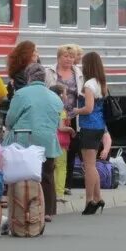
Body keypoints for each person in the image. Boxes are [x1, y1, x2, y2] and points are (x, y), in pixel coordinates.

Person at [4, 63, 63, 221]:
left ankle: (23, 208)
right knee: (47, 175)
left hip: (24, 140)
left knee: (22, 175)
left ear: (28, 77)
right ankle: (47, 211)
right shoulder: (55, 97)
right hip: (48, 141)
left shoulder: (21, 94)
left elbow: (10, 119)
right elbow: (57, 119)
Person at [45, 45, 84, 195]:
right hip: (53, 115)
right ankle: (52, 183)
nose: (69, 59)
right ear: (59, 57)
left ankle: (66, 184)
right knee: (53, 149)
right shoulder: (50, 72)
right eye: (65, 56)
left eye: (71, 57)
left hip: (73, 115)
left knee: (71, 149)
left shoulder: (78, 73)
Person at [73, 51, 109, 216]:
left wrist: (76, 110)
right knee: (91, 165)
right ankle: (98, 197)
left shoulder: (88, 84)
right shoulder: (101, 83)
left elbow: (88, 108)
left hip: (88, 126)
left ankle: (90, 200)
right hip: (99, 125)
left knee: (89, 166)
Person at [50, 83, 74, 203]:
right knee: (61, 167)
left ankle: (52, 192)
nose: (66, 96)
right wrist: (71, 130)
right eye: (65, 93)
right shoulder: (61, 109)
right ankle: (59, 193)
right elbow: (61, 127)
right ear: (60, 95)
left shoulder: (50, 107)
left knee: (52, 167)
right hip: (61, 142)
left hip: (51, 140)